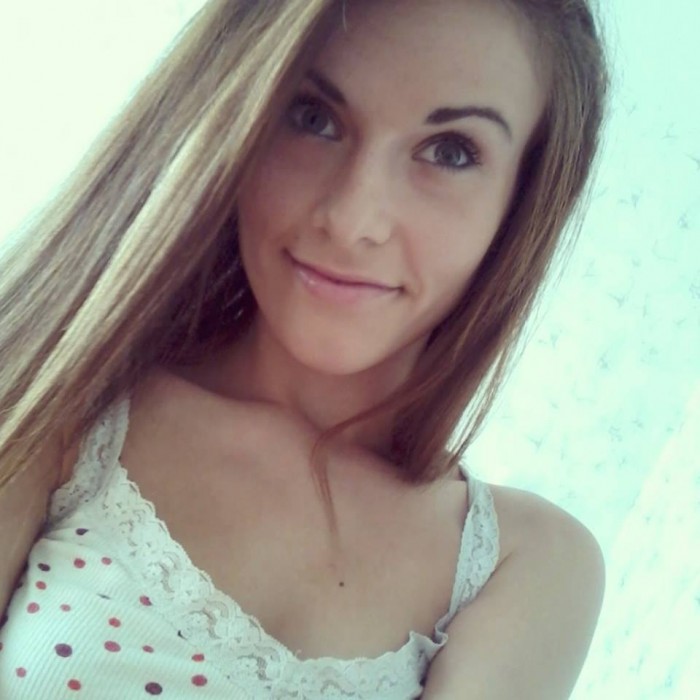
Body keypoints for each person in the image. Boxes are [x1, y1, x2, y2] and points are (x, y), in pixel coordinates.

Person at [0, 0, 609, 697]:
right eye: (313, 116)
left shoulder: (525, 564)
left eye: (449, 152)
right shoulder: (64, 401)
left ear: (520, 203)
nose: (352, 219)